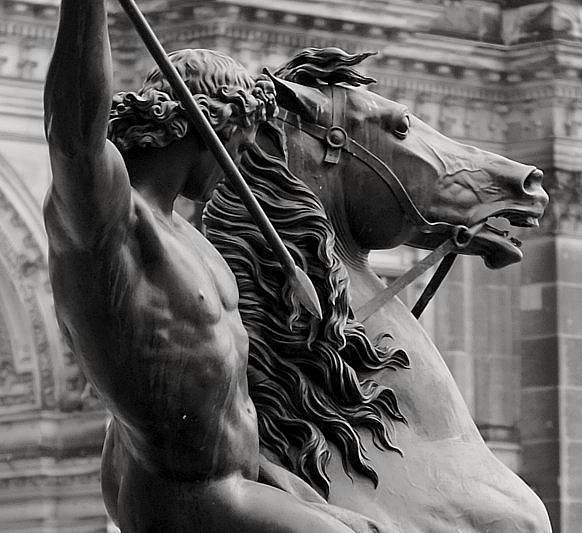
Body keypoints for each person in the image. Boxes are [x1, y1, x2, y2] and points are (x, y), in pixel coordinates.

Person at [43, 2, 357, 531]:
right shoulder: (110, 219)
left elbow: (213, 384)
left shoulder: (189, 235)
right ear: (213, 125)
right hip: (183, 492)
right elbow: (73, 135)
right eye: (239, 144)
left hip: (235, 476)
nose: (237, 165)